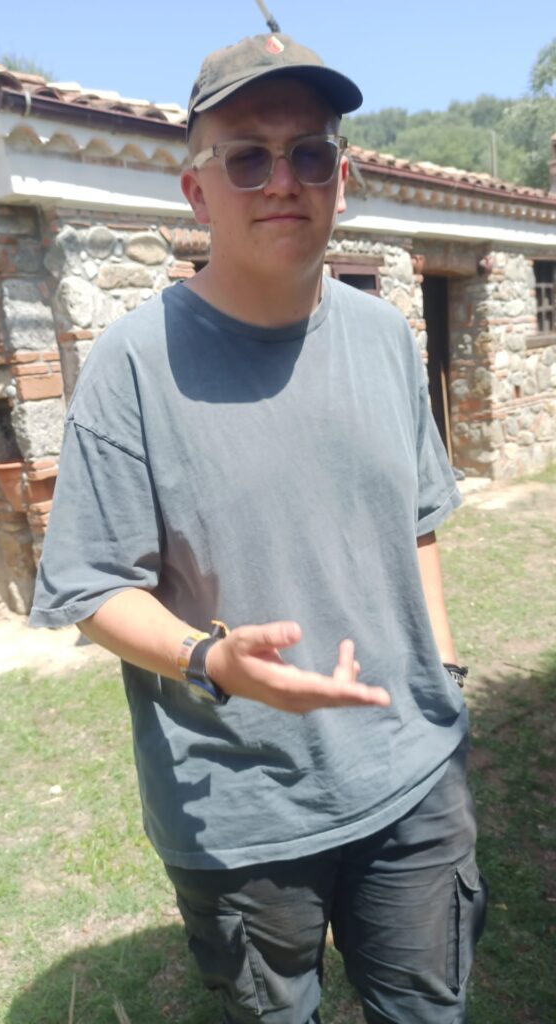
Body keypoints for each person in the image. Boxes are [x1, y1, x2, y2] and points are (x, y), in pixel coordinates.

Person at [30, 32, 487, 1024]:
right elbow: (90, 587)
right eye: (248, 156)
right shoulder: (131, 367)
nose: (283, 180)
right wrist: (209, 660)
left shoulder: (386, 338)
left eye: (310, 152)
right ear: (197, 192)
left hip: (413, 777)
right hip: (242, 812)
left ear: (342, 179)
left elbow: (418, 521)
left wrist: (444, 679)